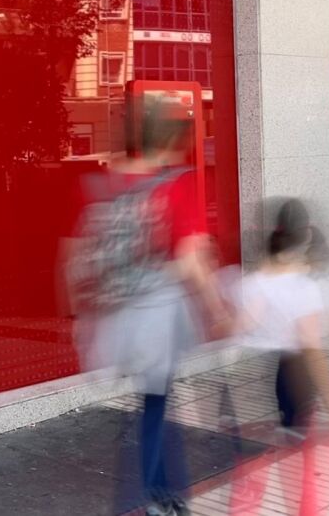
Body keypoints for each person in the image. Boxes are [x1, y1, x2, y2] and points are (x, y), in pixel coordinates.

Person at [67, 102, 229, 516]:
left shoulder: (109, 181)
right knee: (157, 406)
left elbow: (77, 251)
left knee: (152, 404)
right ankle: (157, 496)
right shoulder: (175, 184)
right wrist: (217, 310)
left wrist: (80, 314)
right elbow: (191, 259)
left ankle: (156, 492)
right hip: (156, 314)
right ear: (174, 138)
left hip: (116, 316)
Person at [231, 199, 329, 516]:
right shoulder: (303, 288)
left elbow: (242, 327)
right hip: (292, 379)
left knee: (250, 472)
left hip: (249, 375)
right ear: (306, 234)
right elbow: (311, 349)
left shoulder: (251, 282)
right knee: (299, 471)